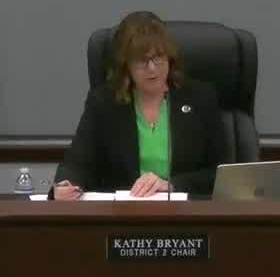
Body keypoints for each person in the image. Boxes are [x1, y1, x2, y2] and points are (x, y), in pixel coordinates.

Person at [54, 11, 225, 199]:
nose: (152, 68)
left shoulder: (200, 98)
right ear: (126, 65)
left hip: (185, 210)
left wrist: (172, 184)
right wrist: (65, 185)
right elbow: (77, 162)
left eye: (158, 57)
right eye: (142, 60)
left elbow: (220, 172)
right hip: (123, 211)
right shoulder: (104, 103)